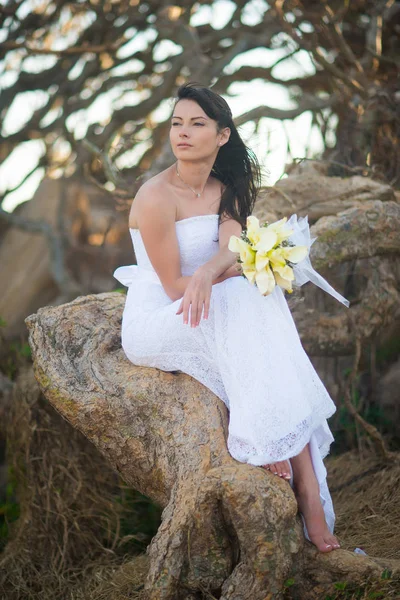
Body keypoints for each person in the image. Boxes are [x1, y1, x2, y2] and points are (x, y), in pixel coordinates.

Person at [114, 82, 347, 553]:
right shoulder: (156, 196)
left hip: (211, 299)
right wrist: (208, 276)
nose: (183, 132)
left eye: (197, 123)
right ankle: (273, 447)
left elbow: (229, 251)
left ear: (222, 136)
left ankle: (296, 474)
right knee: (248, 300)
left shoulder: (228, 189)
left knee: (254, 298)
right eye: (177, 123)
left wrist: (209, 270)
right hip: (161, 313)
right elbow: (174, 287)